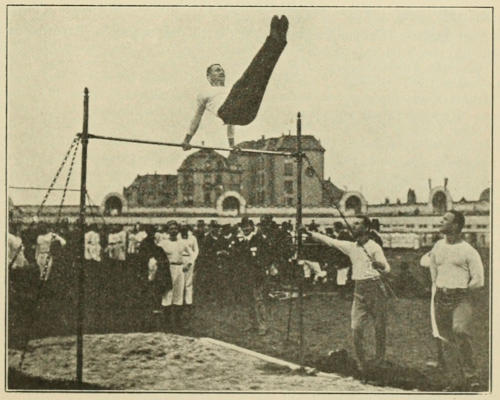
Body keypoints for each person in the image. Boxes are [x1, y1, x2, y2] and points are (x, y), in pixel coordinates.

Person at [182, 15, 288, 149]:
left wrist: (231, 145)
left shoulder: (229, 91)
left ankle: (279, 42)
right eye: (217, 70)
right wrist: (187, 140)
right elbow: (197, 117)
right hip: (231, 112)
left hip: (247, 114)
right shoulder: (204, 93)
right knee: (249, 75)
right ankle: (272, 40)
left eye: (222, 70)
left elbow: (231, 123)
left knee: (262, 77)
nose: (221, 72)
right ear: (209, 76)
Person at [301, 216, 391, 371]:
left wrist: (380, 265)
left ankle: (379, 360)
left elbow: (387, 269)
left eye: (357, 223)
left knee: (379, 327)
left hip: (375, 289)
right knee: (356, 328)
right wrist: (309, 233)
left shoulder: (374, 247)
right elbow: (330, 241)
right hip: (359, 291)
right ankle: (361, 362)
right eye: (353, 223)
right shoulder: (351, 247)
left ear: (366, 228)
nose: (353, 226)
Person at [429, 210, 484, 389]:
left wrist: (462, 289)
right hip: (440, 297)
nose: (441, 221)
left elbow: (479, 280)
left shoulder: (468, 251)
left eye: (445, 219)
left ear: (455, 225)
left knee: (459, 331)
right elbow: (433, 269)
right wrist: (439, 286)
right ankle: (455, 381)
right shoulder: (438, 246)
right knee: (445, 339)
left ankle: (471, 376)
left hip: (461, 297)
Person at [158, 220, 193, 331]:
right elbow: (157, 255)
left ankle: (177, 323)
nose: (174, 231)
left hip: (180, 269)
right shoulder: (163, 243)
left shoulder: (182, 242)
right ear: (167, 231)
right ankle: (166, 323)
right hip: (168, 269)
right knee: (167, 294)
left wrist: (188, 264)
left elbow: (192, 254)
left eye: (175, 228)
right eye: (171, 229)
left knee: (178, 295)